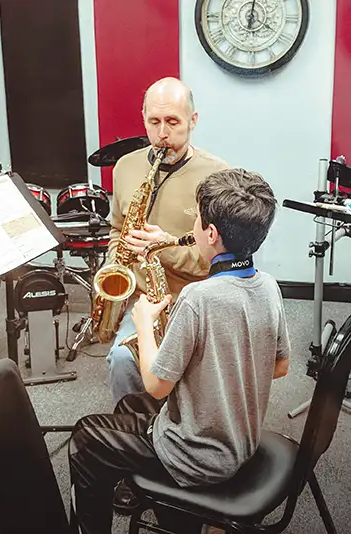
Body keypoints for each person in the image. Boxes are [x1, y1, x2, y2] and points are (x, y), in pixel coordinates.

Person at [68, 168, 291, 534]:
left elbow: (156, 386)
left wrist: (143, 322)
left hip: (197, 457)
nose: (194, 226)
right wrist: (218, 375)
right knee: (128, 406)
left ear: (211, 234)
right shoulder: (268, 286)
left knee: (85, 435)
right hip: (240, 441)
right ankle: (175, 515)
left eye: (197, 219)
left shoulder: (197, 297)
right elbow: (281, 366)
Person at [106, 77, 228, 405]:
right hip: (145, 302)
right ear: (143, 117)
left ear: (193, 120)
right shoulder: (125, 167)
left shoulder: (217, 177)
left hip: (195, 302)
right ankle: (132, 435)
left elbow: (220, 260)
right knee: (120, 361)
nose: (162, 134)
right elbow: (118, 228)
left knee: (194, 384)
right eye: (153, 122)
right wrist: (110, 268)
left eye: (173, 122)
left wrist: (165, 248)